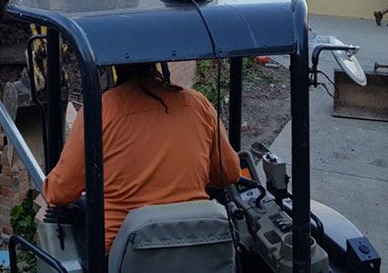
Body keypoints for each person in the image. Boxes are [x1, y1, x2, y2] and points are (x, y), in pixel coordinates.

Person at [43, 62, 241, 257]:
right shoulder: (197, 104)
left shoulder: (100, 111)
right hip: (197, 241)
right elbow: (229, 173)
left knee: (78, 212)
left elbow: (60, 192)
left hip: (122, 252)